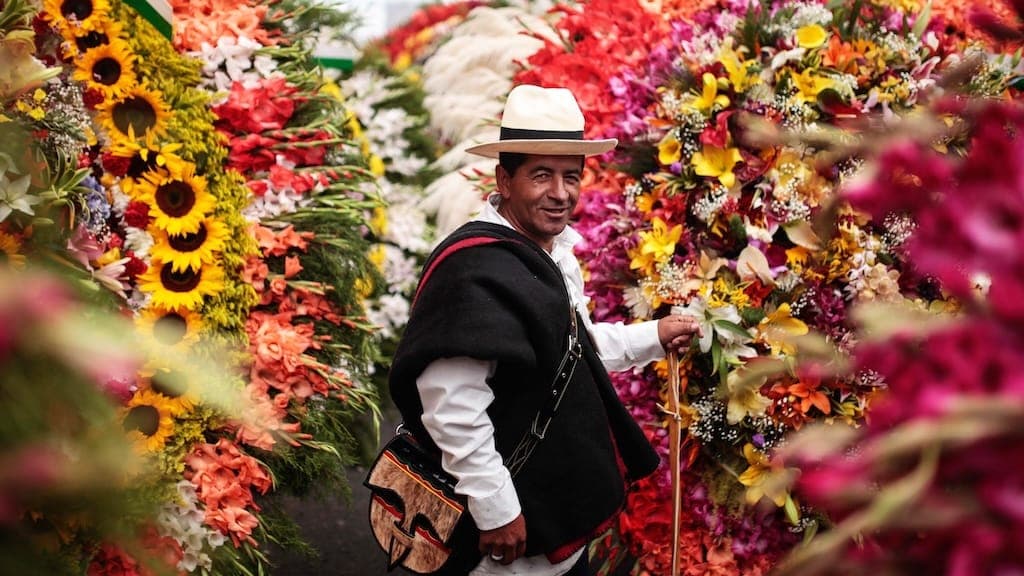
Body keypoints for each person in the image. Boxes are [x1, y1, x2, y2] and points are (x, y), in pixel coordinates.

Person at [389, 84, 701, 576]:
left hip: (547, 519)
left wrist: (654, 336)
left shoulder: (547, 254)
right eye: (541, 176)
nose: (560, 194)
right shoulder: (476, 269)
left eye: (570, 177)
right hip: (501, 544)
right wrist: (497, 509)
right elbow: (450, 404)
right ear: (504, 180)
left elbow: (574, 349)